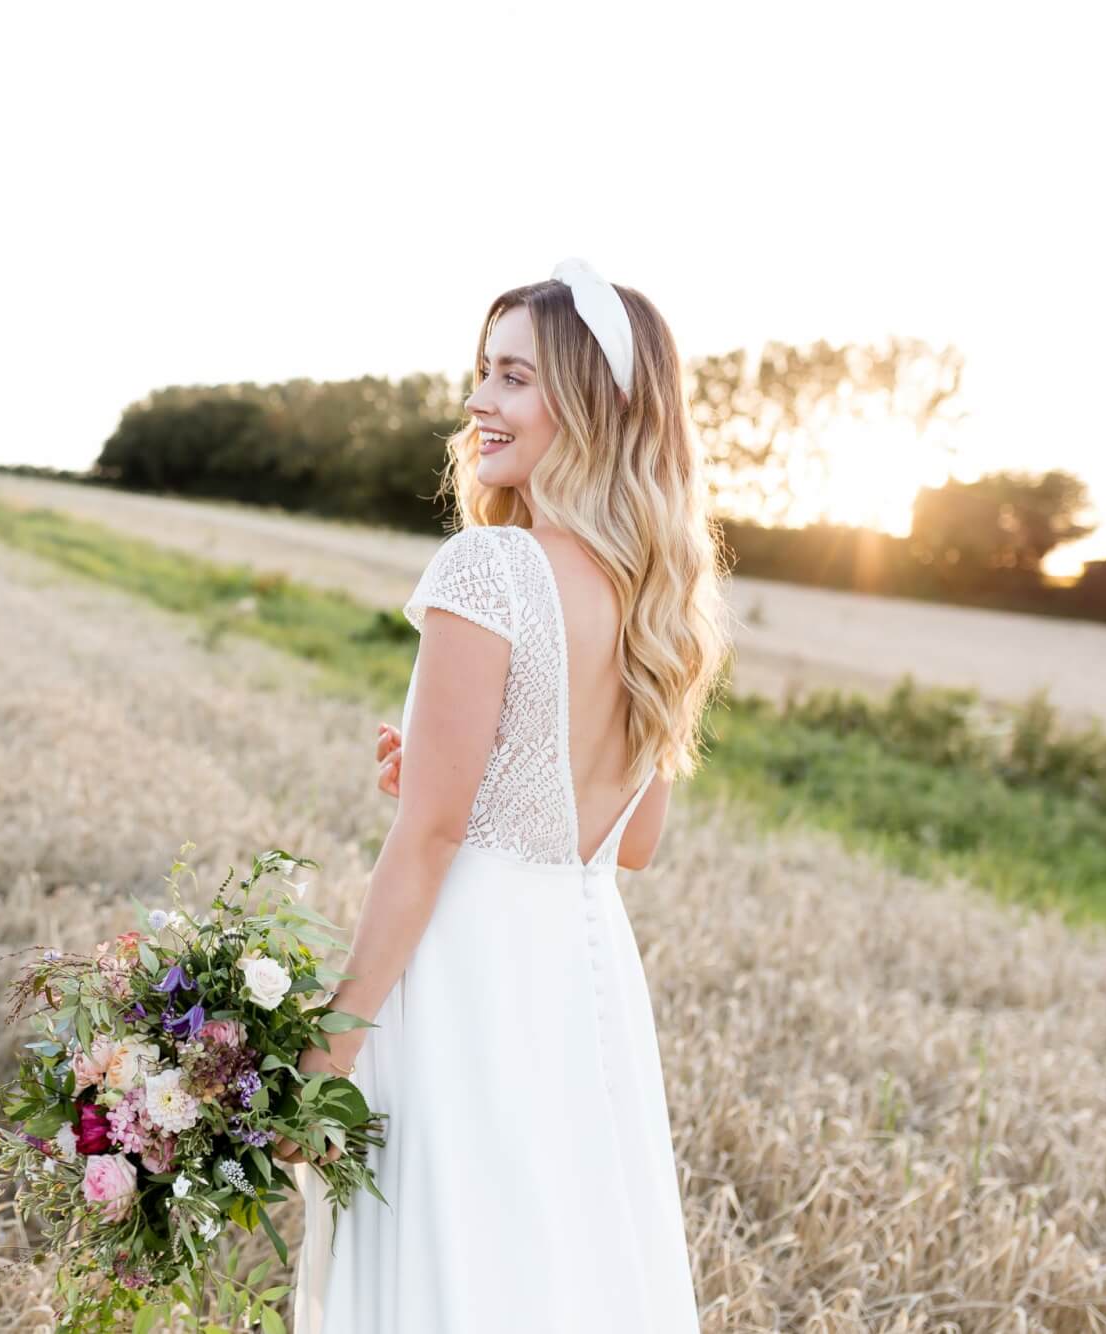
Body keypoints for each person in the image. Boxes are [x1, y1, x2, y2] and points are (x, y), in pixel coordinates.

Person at [277, 259, 733, 1332]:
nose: (480, 401)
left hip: (467, 970)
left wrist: (330, 1042)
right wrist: (481, 776)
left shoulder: (489, 568)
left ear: (591, 404)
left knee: (450, 1267)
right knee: (557, 1268)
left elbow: (429, 836)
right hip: (582, 980)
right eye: (483, 372)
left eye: (515, 377)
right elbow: (627, 846)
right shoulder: (653, 600)